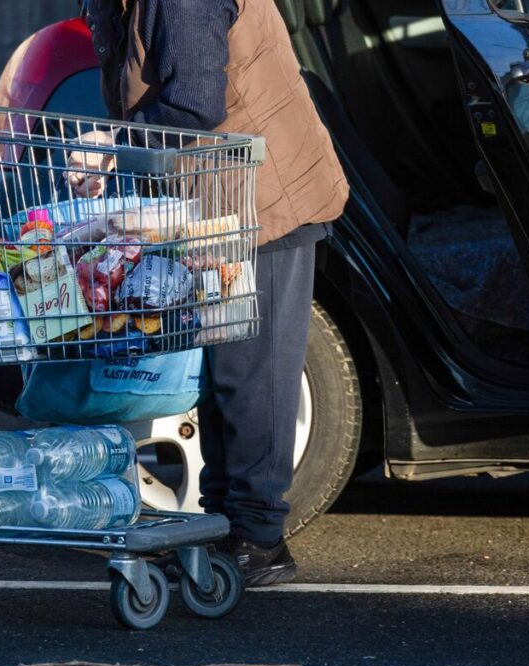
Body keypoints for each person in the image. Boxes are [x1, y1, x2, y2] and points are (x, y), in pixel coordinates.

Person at [66, 0, 349, 586]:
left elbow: (193, 103)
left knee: (253, 373)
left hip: (264, 197)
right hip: (218, 199)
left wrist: (113, 147)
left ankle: (259, 538)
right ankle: (227, 527)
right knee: (225, 374)